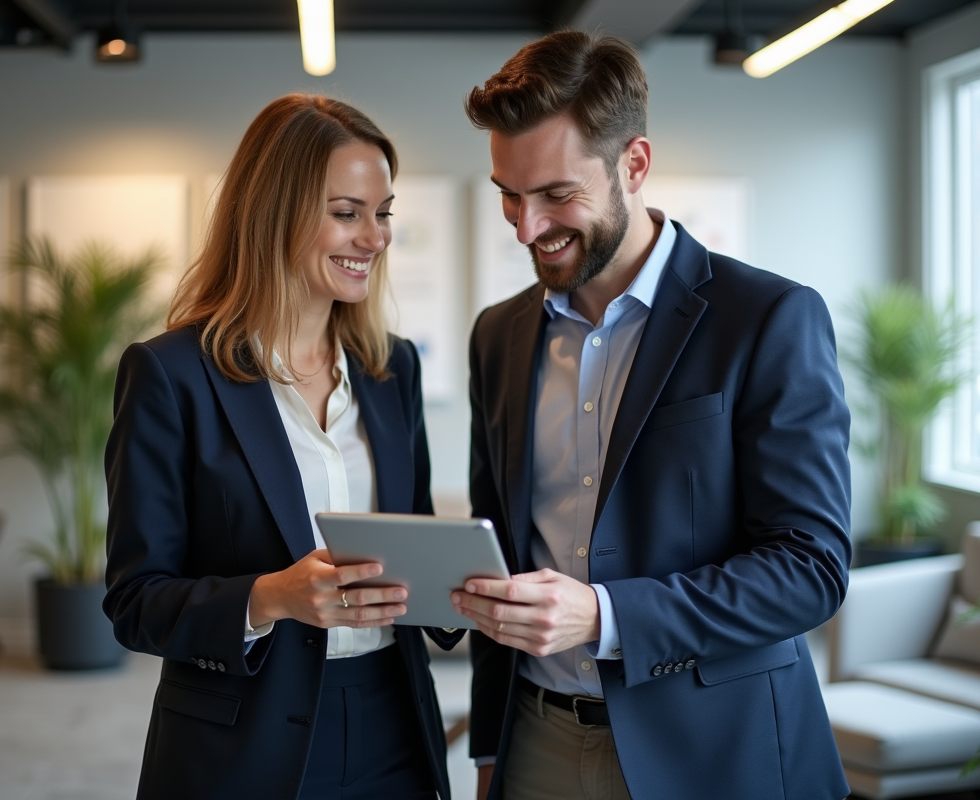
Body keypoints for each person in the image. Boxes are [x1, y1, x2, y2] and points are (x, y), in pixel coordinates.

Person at [451, 31, 852, 800]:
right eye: (508, 192)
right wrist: (488, 750)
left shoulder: (769, 317)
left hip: (715, 752)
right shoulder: (497, 334)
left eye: (556, 194)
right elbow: (496, 537)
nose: (526, 227)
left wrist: (605, 615)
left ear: (633, 163)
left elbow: (811, 569)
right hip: (532, 740)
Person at [103, 94, 462, 800]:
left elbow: (408, 540)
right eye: (346, 212)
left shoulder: (392, 370)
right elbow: (135, 602)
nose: (375, 237)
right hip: (244, 740)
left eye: (383, 212)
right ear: (276, 212)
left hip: (395, 720)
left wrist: (464, 588)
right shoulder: (172, 374)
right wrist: (272, 597)